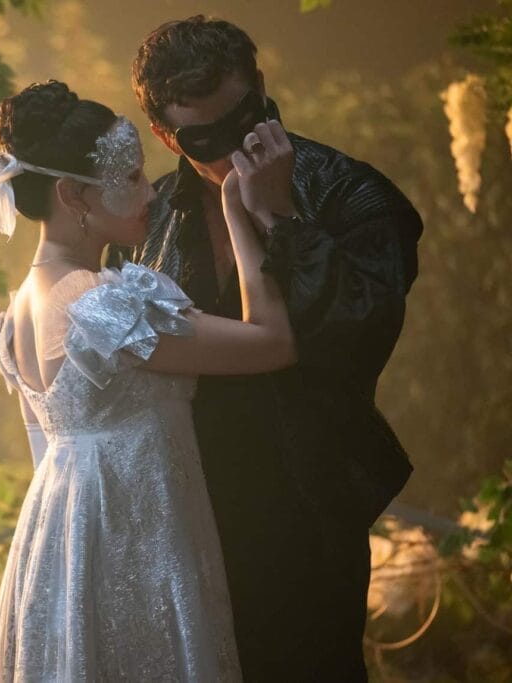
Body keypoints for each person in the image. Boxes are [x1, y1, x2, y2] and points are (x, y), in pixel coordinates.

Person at [120, 15, 424, 681]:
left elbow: (360, 332)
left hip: (306, 499)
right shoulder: (150, 216)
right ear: (165, 135)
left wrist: (282, 218)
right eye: (204, 137)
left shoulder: (352, 193)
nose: (232, 149)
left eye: (244, 119)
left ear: (260, 88)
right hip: (189, 503)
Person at [0, 79, 296, 682]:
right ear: (74, 195)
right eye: (128, 179)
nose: (148, 192)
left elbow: (44, 450)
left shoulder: (22, 304)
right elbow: (273, 344)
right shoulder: (100, 304)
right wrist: (239, 208)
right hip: (135, 541)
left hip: (64, 541)